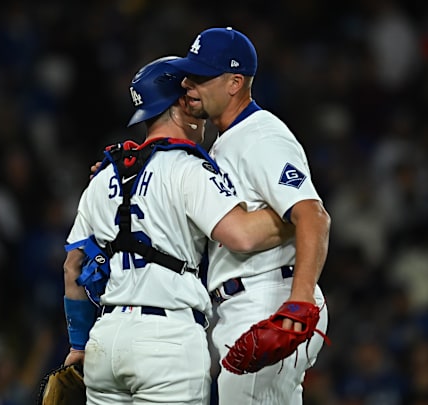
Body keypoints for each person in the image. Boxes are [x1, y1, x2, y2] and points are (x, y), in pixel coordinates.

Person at [61, 56, 294, 405]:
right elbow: (243, 235)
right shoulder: (187, 168)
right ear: (181, 106)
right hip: (165, 340)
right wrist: (296, 218)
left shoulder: (103, 176)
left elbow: (72, 269)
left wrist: (78, 346)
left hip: (104, 341)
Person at [168, 27, 331, 404]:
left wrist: (300, 301)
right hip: (241, 302)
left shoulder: (261, 136)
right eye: (189, 74)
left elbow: (313, 214)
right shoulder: (226, 142)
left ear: (234, 83)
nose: (189, 84)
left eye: (202, 76)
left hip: (267, 297)